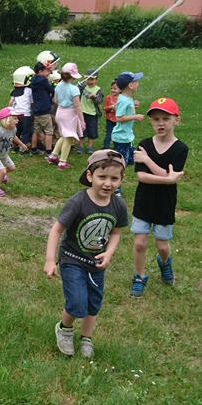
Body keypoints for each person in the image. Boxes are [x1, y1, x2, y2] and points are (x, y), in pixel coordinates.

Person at [45, 150, 128, 358]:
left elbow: (116, 232)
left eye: (114, 178)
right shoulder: (78, 202)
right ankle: (64, 328)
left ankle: (86, 338)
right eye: (102, 177)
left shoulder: (118, 205)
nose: (107, 183)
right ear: (90, 176)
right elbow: (56, 230)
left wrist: (109, 253)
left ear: (121, 179)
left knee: (93, 303)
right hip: (72, 259)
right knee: (77, 302)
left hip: (96, 264)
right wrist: (50, 260)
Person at [130, 98, 188, 297]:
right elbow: (142, 176)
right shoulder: (144, 144)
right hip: (144, 201)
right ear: (151, 122)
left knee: (162, 246)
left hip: (165, 204)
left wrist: (147, 160)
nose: (160, 123)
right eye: (156, 119)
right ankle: (139, 276)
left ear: (176, 120)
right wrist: (167, 179)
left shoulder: (181, 148)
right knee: (140, 243)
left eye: (166, 118)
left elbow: (169, 176)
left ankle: (165, 264)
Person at [47, 63, 85, 170]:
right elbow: (77, 106)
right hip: (69, 115)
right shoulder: (74, 89)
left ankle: (53, 156)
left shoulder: (59, 85)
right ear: (73, 76)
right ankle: (62, 162)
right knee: (69, 138)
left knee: (64, 136)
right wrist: (82, 121)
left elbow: (55, 100)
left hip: (60, 112)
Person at [0, 107, 26, 197]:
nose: (18, 121)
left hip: (4, 155)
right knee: (3, 171)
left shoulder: (14, 129)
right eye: (15, 118)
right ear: (7, 120)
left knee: (12, 168)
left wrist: (21, 144)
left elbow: (14, 137)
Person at [111, 71, 144, 167]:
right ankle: (118, 174)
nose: (138, 83)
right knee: (121, 162)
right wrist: (135, 116)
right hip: (121, 137)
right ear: (130, 85)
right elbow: (119, 118)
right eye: (136, 81)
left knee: (130, 159)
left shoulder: (126, 98)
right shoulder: (124, 100)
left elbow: (117, 108)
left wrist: (132, 105)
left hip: (126, 135)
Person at [30, 62, 54, 156]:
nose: (48, 73)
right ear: (40, 71)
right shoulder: (43, 80)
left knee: (36, 131)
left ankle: (33, 149)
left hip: (36, 110)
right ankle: (49, 152)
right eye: (46, 71)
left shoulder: (33, 79)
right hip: (44, 110)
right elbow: (51, 90)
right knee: (49, 132)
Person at [78, 68, 104, 154]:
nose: (89, 81)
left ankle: (90, 146)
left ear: (96, 80)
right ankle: (80, 146)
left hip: (92, 113)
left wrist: (94, 98)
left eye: (92, 79)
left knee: (91, 130)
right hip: (82, 112)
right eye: (88, 79)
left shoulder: (98, 89)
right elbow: (76, 91)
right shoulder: (83, 87)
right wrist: (79, 85)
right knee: (81, 130)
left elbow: (99, 100)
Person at [8, 66, 34, 150]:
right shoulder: (29, 90)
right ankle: (22, 148)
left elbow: (11, 102)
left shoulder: (15, 91)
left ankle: (14, 145)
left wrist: (10, 110)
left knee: (17, 131)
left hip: (16, 114)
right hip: (26, 114)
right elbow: (32, 102)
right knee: (26, 132)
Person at [102, 80, 120, 149]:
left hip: (119, 120)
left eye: (115, 89)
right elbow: (105, 108)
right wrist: (111, 107)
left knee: (117, 135)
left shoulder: (122, 99)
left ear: (120, 90)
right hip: (109, 120)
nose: (112, 90)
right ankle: (106, 147)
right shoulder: (108, 97)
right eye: (111, 88)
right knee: (109, 134)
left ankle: (117, 148)